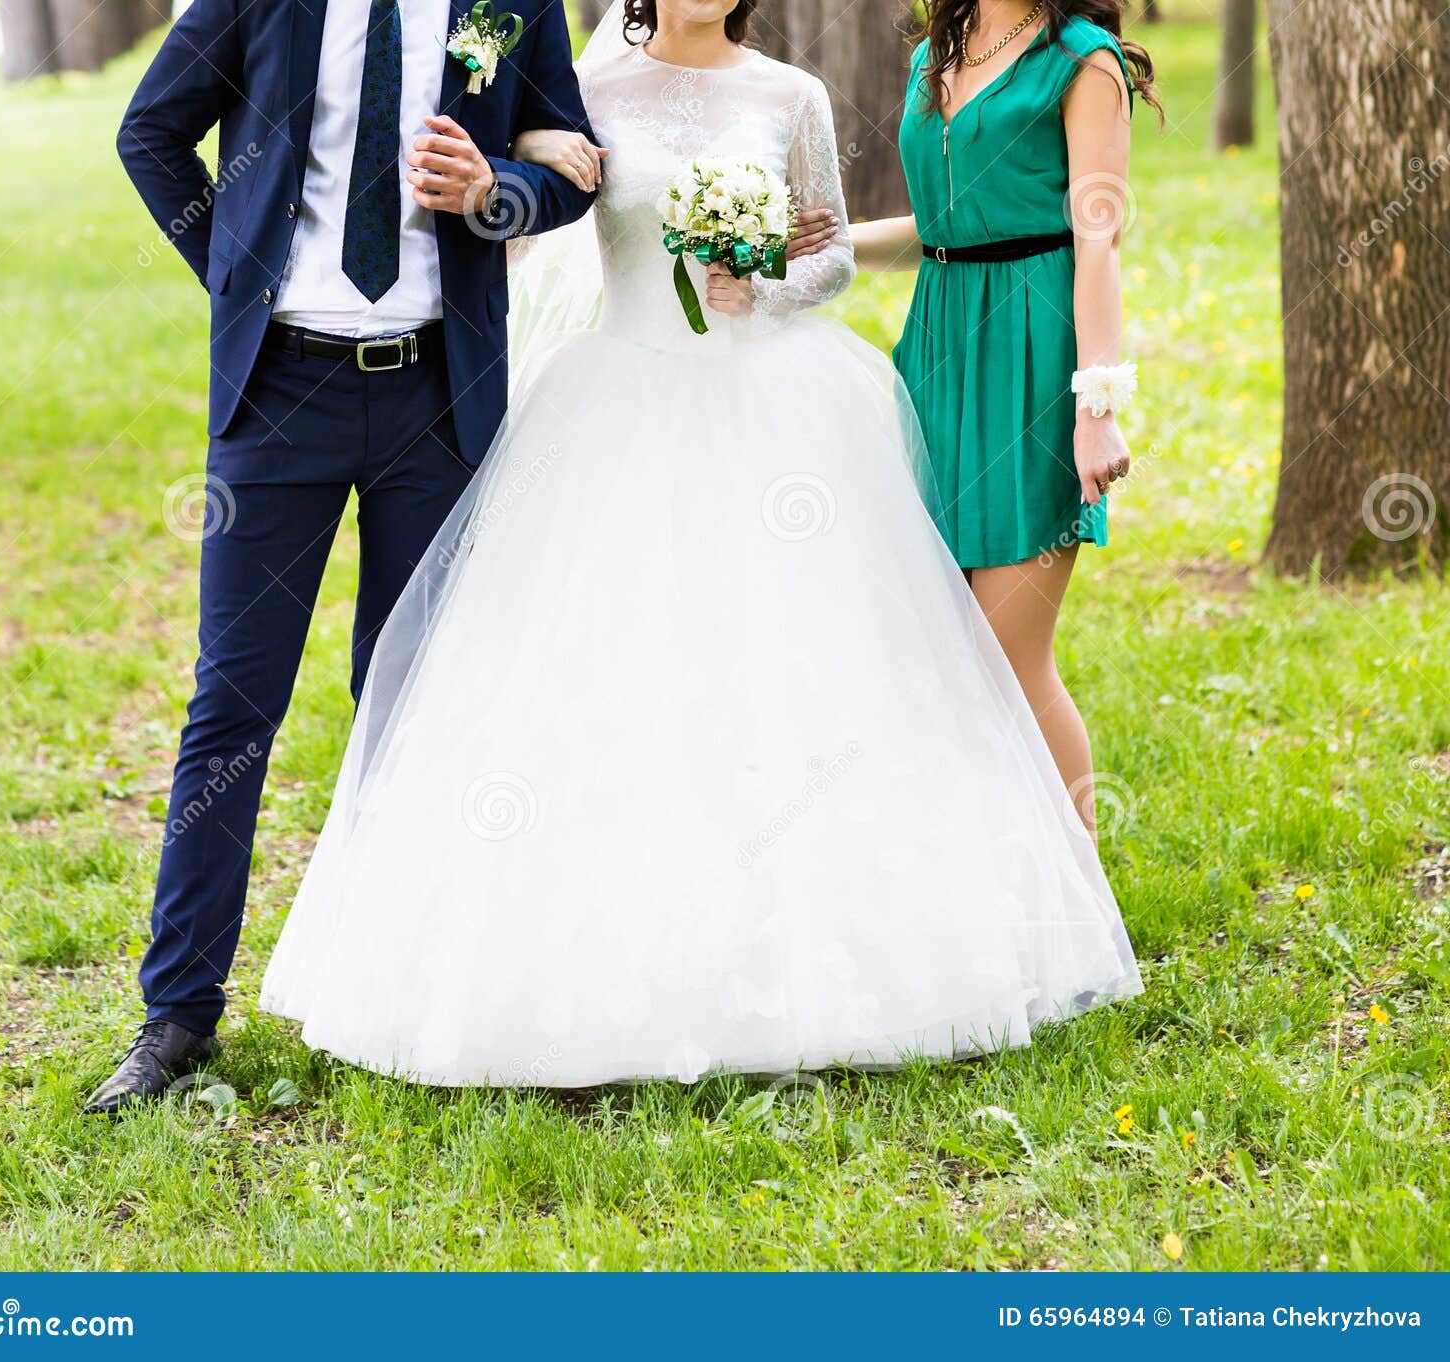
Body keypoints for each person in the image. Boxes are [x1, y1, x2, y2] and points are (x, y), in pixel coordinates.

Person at [258, 0, 1142, 1089]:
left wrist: (760, 278)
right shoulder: (587, 92)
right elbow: (533, 198)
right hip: (615, 397)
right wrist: (524, 154)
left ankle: (976, 910)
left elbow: (826, 259)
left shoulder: (791, 96)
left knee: (825, 668)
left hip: (772, 403)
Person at [86, 0, 599, 1114]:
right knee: (231, 709)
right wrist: (234, 270)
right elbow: (151, 130)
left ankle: (414, 992)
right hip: (279, 396)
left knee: (417, 701)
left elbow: (572, 166)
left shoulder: (511, 3)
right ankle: (177, 1016)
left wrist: (494, 191)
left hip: (437, 397)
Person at [825, 0, 1161, 836]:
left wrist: (1096, 407)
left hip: (1034, 359)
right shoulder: (934, 52)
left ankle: (1078, 904)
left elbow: (1099, 241)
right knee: (939, 648)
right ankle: (985, 884)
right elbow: (947, 231)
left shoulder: (1082, 62)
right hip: (938, 350)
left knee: (1008, 655)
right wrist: (828, 240)